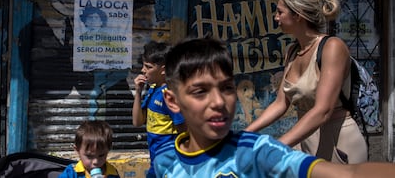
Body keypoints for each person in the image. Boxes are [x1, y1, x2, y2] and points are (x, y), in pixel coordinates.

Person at [155, 37, 395, 177]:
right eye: (200, 92)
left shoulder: (256, 152)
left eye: (227, 88)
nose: (218, 102)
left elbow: (349, 174)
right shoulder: (163, 162)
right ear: (173, 101)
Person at [245, 0, 367, 163]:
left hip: (337, 141)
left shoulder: (332, 47)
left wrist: (279, 145)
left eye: (280, 12)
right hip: (306, 139)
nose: (276, 17)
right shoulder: (293, 51)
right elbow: (280, 103)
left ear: (298, 16)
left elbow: (323, 110)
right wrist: (245, 134)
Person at [132, 41, 186, 177]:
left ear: (163, 70)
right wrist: (138, 92)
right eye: (143, 65)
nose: (143, 70)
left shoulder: (169, 95)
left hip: (169, 160)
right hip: (155, 156)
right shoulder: (152, 89)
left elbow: (184, 131)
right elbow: (137, 122)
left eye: (148, 67)